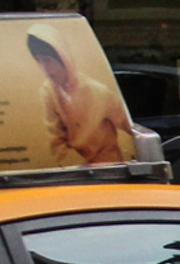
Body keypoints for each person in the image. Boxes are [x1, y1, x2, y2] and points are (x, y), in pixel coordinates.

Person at [30, 23, 137, 167]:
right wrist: (81, 168)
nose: (44, 67)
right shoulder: (47, 92)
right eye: (39, 60)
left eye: (47, 59)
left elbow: (131, 127)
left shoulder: (98, 92)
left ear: (63, 57)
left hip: (109, 171)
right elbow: (55, 141)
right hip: (76, 174)